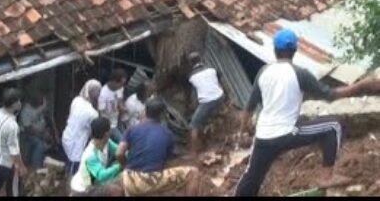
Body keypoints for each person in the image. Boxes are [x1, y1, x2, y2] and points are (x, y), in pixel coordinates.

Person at [234, 28, 380, 196]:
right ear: (295, 50)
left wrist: (242, 132)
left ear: (274, 50)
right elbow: (330, 96)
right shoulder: (300, 74)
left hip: (263, 136)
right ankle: (326, 177)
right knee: (332, 126)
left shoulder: (263, 72)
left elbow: (248, 108)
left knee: (251, 178)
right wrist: (362, 86)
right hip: (286, 133)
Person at [116, 97, 202, 196]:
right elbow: (166, 161)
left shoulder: (132, 129)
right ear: (162, 115)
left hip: (129, 179)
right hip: (150, 180)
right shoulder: (167, 134)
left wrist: (125, 166)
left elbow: (119, 153)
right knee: (193, 173)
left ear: (145, 111)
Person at [0, 88, 28, 197]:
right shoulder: (12, 125)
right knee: (14, 192)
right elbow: (14, 152)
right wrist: (21, 167)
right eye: (18, 101)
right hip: (8, 165)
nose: (20, 103)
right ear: (14, 104)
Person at [70, 117, 122, 196]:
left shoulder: (107, 142)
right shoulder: (90, 155)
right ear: (106, 134)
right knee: (115, 191)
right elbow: (101, 175)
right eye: (110, 129)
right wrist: (119, 166)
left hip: (94, 184)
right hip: (83, 190)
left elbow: (118, 150)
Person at [187, 52, 225, 158]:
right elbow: (220, 81)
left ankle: (193, 153)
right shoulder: (212, 69)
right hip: (220, 97)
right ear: (201, 59)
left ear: (190, 63)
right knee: (203, 119)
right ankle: (205, 141)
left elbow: (194, 93)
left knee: (193, 126)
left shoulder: (191, 77)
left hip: (208, 101)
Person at [62, 79, 102, 176]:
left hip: (66, 136)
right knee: (73, 172)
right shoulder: (93, 113)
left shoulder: (76, 100)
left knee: (67, 165)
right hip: (76, 146)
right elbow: (96, 129)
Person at [19, 92, 55, 169]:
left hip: (39, 133)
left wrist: (47, 133)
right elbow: (28, 129)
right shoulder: (26, 110)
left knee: (50, 144)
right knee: (40, 145)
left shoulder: (38, 109)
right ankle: (36, 168)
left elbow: (43, 123)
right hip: (27, 135)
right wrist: (42, 136)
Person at [98, 68, 128, 142]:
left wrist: (123, 108)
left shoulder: (120, 88)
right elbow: (101, 114)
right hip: (110, 125)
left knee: (128, 137)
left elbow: (120, 100)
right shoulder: (103, 94)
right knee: (123, 141)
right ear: (115, 82)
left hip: (117, 119)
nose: (122, 86)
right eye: (121, 84)